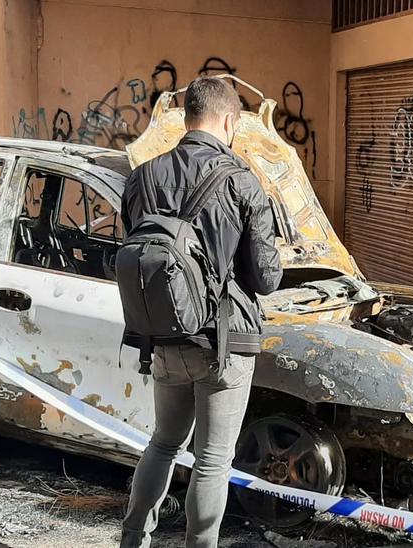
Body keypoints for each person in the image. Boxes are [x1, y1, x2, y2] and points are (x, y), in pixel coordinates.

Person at [118, 77, 282, 548]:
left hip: (163, 334)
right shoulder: (242, 180)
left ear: (186, 117)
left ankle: (133, 539)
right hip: (224, 344)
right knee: (212, 459)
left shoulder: (143, 175)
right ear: (230, 121)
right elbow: (265, 279)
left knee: (164, 442)